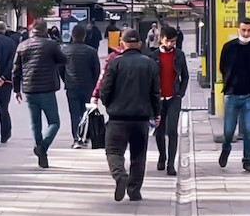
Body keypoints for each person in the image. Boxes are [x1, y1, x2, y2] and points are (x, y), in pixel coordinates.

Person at [100, 29, 161, 202]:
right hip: (141, 118)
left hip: (118, 117)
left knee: (113, 151)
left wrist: (110, 105)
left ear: (122, 44)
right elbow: (155, 93)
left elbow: (105, 90)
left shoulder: (115, 64)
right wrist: (156, 113)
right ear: (140, 44)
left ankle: (120, 175)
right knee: (138, 155)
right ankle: (134, 190)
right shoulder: (150, 64)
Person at [13, 19, 67, 168]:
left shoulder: (22, 45)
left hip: (29, 89)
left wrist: (16, 89)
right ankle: (43, 147)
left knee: (35, 124)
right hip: (47, 89)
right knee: (54, 122)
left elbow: (16, 70)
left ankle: (41, 153)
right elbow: (64, 60)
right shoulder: (51, 45)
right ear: (45, 30)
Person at [218, 17, 250, 173]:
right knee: (229, 131)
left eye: (249, 30)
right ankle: (226, 148)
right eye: (243, 30)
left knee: (249, 130)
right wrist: (229, 82)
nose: (246, 33)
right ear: (238, 29)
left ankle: (247, 160)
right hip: (231, 94)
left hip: (249, 94)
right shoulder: (229, 47)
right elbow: (222, 66)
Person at [150, 26, 189, 176]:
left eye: (173, 41)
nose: (170, 44)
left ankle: (171, 164)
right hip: (158, 99)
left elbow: (185, 76)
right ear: (161, 39)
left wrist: (180, 93)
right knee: (159, 131)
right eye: (168, 41)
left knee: (172, 130)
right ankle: (162, 156)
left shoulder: (179, 55)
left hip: (174, 97)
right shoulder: (153, 56)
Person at [60, 24, 101, 148]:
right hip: (87, 86)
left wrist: (66, 80)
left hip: (72, 86)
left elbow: (60, 69)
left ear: (72, 36)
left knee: (74, 113)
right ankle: (85, 137)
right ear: (84, 36)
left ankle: (76, 138)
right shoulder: (91, 52)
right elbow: (97, 71)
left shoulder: (65, 51)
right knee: (86, 113)